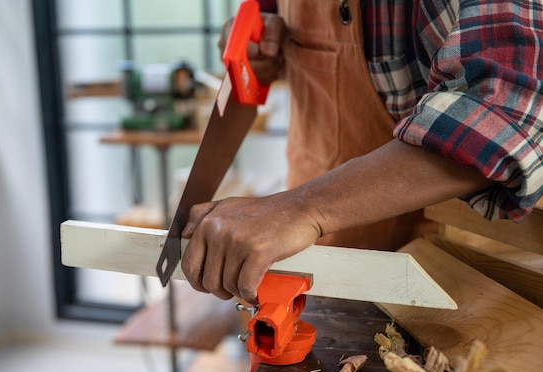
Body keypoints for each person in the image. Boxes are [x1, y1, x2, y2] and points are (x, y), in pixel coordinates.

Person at [180, 0, 543, 306]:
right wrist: (266, 32)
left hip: (444, 278)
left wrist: (302, 208)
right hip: (306, 257)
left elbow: (505, 106)